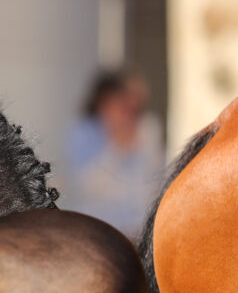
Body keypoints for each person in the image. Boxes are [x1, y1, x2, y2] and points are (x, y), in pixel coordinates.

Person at [66, 68, 165, 239]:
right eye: (122, 103)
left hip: (139, 231)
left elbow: (155, 182)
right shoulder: (85, 132)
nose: (129, 111)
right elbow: (88, 185)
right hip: (98, 231)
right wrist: (118, 147)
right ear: (103, 102)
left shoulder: (147, 130)